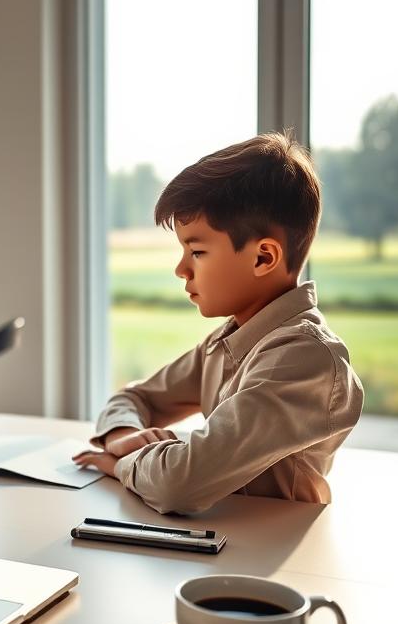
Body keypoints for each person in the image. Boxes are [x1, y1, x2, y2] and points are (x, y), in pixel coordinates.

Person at [73, 131, 364, 515]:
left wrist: (121, 465)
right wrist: (125, 436)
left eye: (196, 251)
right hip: (216, 548)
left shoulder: (303, 359)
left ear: (263, 258)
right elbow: (134, 398)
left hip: (268, 564)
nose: (181, 269)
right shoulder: (226, 342)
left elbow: (179, 484)